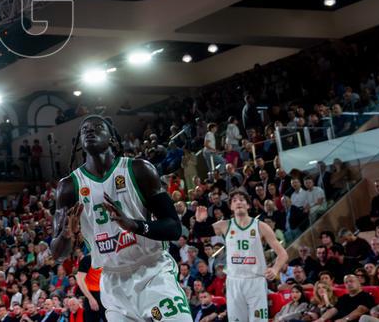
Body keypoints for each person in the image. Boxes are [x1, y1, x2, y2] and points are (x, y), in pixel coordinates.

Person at [52, 114, 190, 322]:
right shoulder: (68, 187)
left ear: (113, 139)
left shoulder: (139, 170)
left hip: (152, 271)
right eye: (84, 129)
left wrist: (135, 225)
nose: (90, 130)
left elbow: (173, 227)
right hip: (112, 282)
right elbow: (58, 254)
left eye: (98, 127)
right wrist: (66, 234)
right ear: (80, 143)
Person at [193, 189, 288, 322]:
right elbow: (200, 232)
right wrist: (199, 221)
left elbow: (283, 254)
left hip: (255, 280)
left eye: (242, 200)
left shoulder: (261, 226)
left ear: (248, 205)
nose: (238, 202)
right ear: (231, 206)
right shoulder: (225, 225)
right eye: (234, 200)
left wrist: (275, 269)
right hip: (234, 281)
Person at [75, 253, 103, 322]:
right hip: (92, 295)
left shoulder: (108, 258)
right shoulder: (87, 259)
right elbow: (80, 280)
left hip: (106, 296)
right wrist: (91, 298)